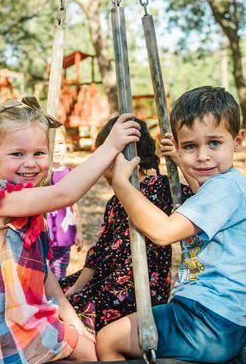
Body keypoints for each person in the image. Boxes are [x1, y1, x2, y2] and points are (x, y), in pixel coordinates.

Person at [0, 96, 140, 364]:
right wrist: (110, 147)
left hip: (24, 319)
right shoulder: (0, 199)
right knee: (97, 358)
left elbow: (44, 275)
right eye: (17, 154)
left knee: (92, 347)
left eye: (39, 154)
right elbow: (64, 193)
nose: (30, 163)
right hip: (3, 333)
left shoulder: (27, 201)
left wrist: (74, 323)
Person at [96, 86, 246, 363]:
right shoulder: (230, 185)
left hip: (206, 321)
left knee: (107, 340)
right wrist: (178, 160)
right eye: (190, 146)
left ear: (237, 141)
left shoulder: (225, 190)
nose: (202, 156)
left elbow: (163, 232)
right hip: (230, 320)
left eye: (214, 143)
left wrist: (122, 185)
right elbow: (202, 189)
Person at [59, 117, 193, 335]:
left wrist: (180, 162)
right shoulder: (114, 202)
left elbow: (199, 196)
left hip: (140, 287)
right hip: (107, 278)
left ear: (116, 159)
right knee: (58, 292)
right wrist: (76, 286)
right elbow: (98, 253)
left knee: (76, 308)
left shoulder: (162, 187)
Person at [47, 126, 84, 279]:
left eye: (61, 143)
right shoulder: (41, 173)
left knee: (59, 274)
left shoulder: (69, 173)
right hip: (45, 233)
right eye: (52, 144)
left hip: (65, 233)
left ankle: (57, 300)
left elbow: (74, 205)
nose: (57, 148)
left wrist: (79, 231)